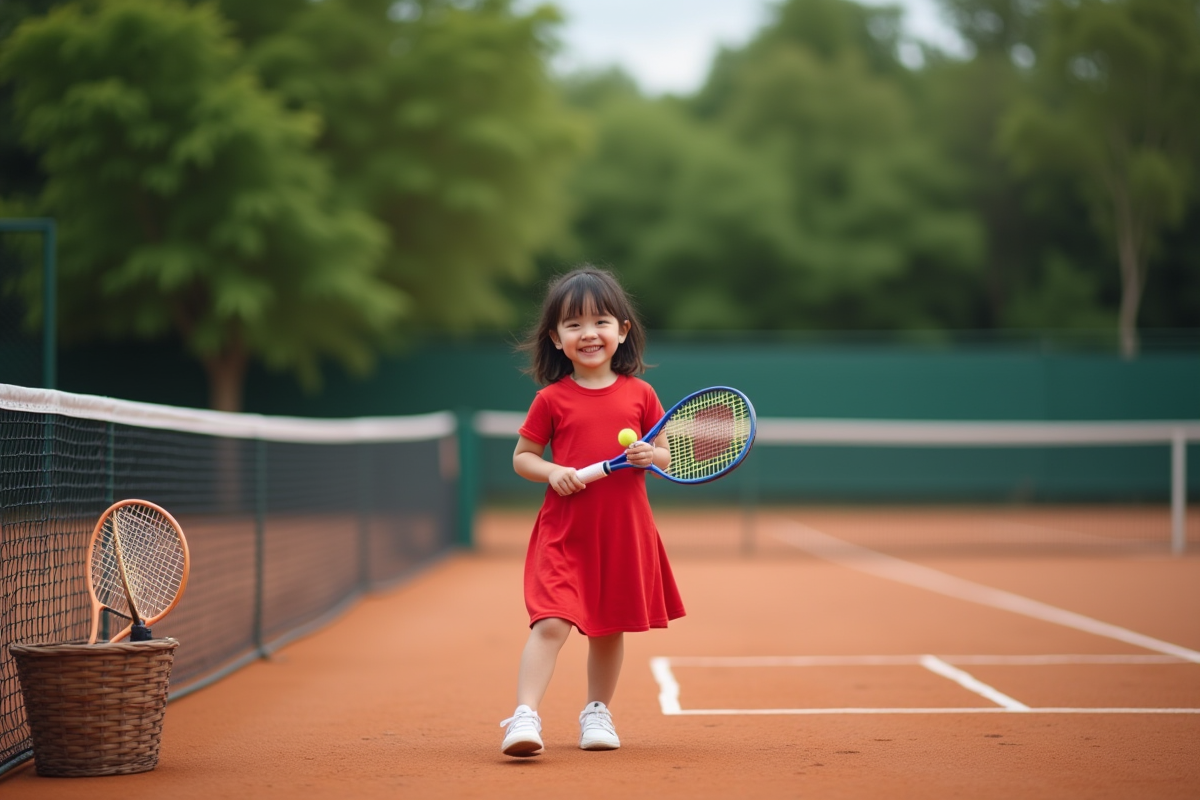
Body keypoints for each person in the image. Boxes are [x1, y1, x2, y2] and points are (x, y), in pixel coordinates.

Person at [500, 267, 685, 757]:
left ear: (622, 330)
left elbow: (665, 453)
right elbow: (522, 457)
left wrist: (651, 455)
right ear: (556, 339)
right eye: (573, 324)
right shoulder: (551, 399)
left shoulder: (641, 394)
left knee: (608, 629)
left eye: (600, 321)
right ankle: (524, 715)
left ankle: (597, 713)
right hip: (565, 533)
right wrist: (552, 471)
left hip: (624, 533)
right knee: (552, 623)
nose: (588, 333)